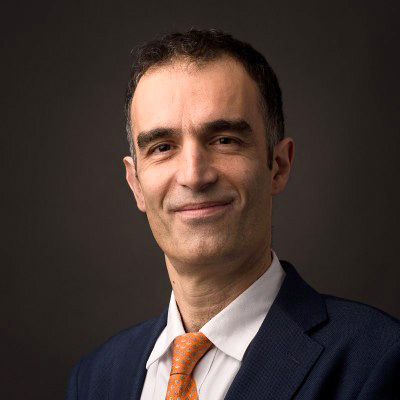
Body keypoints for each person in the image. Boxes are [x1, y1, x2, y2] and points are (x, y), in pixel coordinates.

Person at [66, 29, 400, 400]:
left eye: (224, 140)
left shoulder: (378, 360)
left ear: (278, 165)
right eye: (162, 147)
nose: (194, 175)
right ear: (136, 184)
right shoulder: (95, 378)